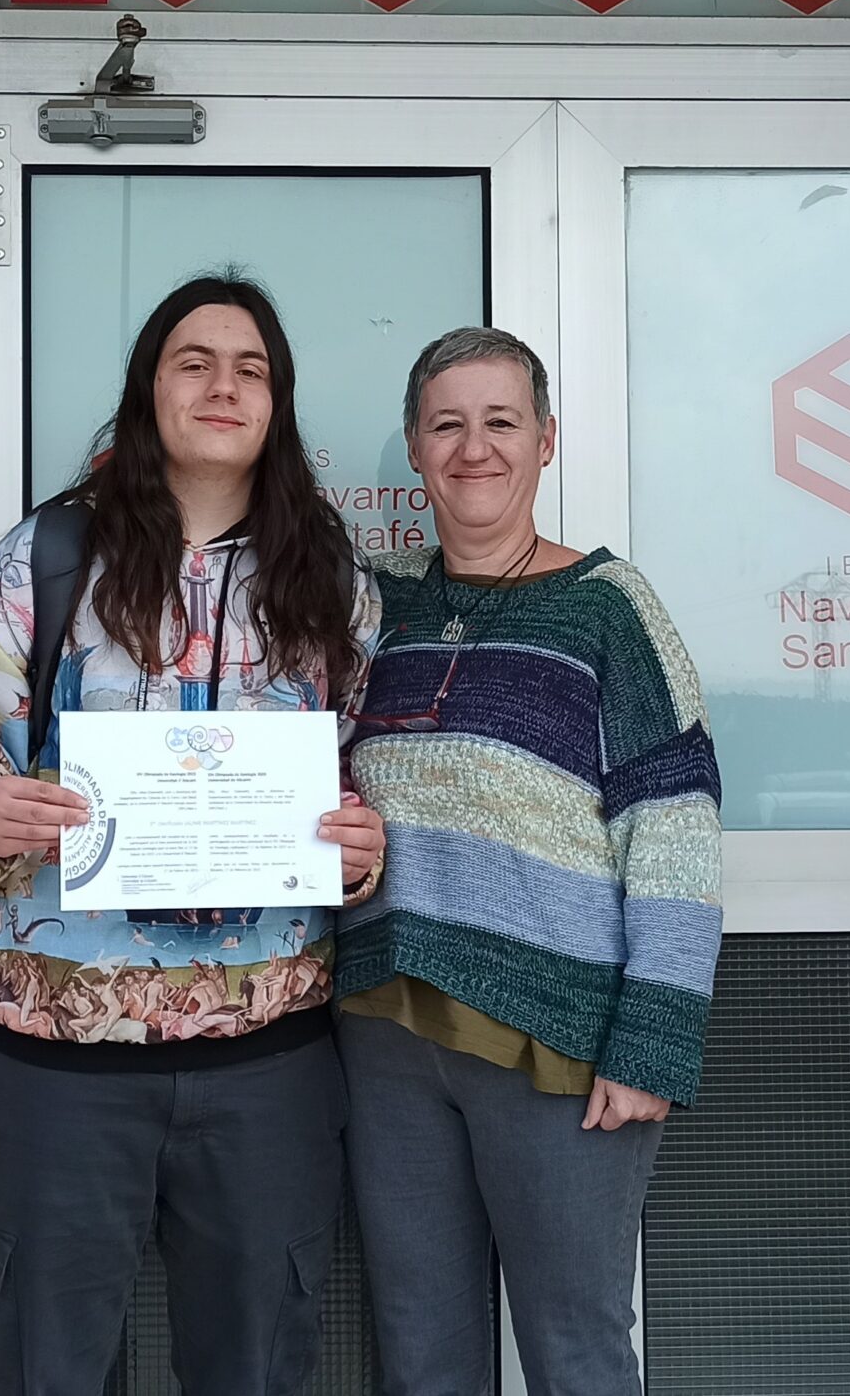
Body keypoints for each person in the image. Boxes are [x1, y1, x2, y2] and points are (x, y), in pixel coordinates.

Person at [0, 273, 386, 1396]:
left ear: (276, 404)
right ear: (148, 388)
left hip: (266, 1066)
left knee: (257, 1367)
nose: (224, 386)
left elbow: (365, 778)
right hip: (58, 1065)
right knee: (44, 1366)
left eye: (250, 369)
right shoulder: (48, 556)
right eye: (194, 362)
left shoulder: (335, 582)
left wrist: (363, 850)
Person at [339, 326, 723, 1396]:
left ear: (545, 440)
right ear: (415, 447)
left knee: (575, 1350)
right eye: (447, 425)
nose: (475, 448)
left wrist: (653, 1040)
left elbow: (676, 829)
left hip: (554, 1043)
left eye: (501, 422)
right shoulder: (374, 605)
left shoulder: (609, 607)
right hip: (383, 1035)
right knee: (420, 1352)